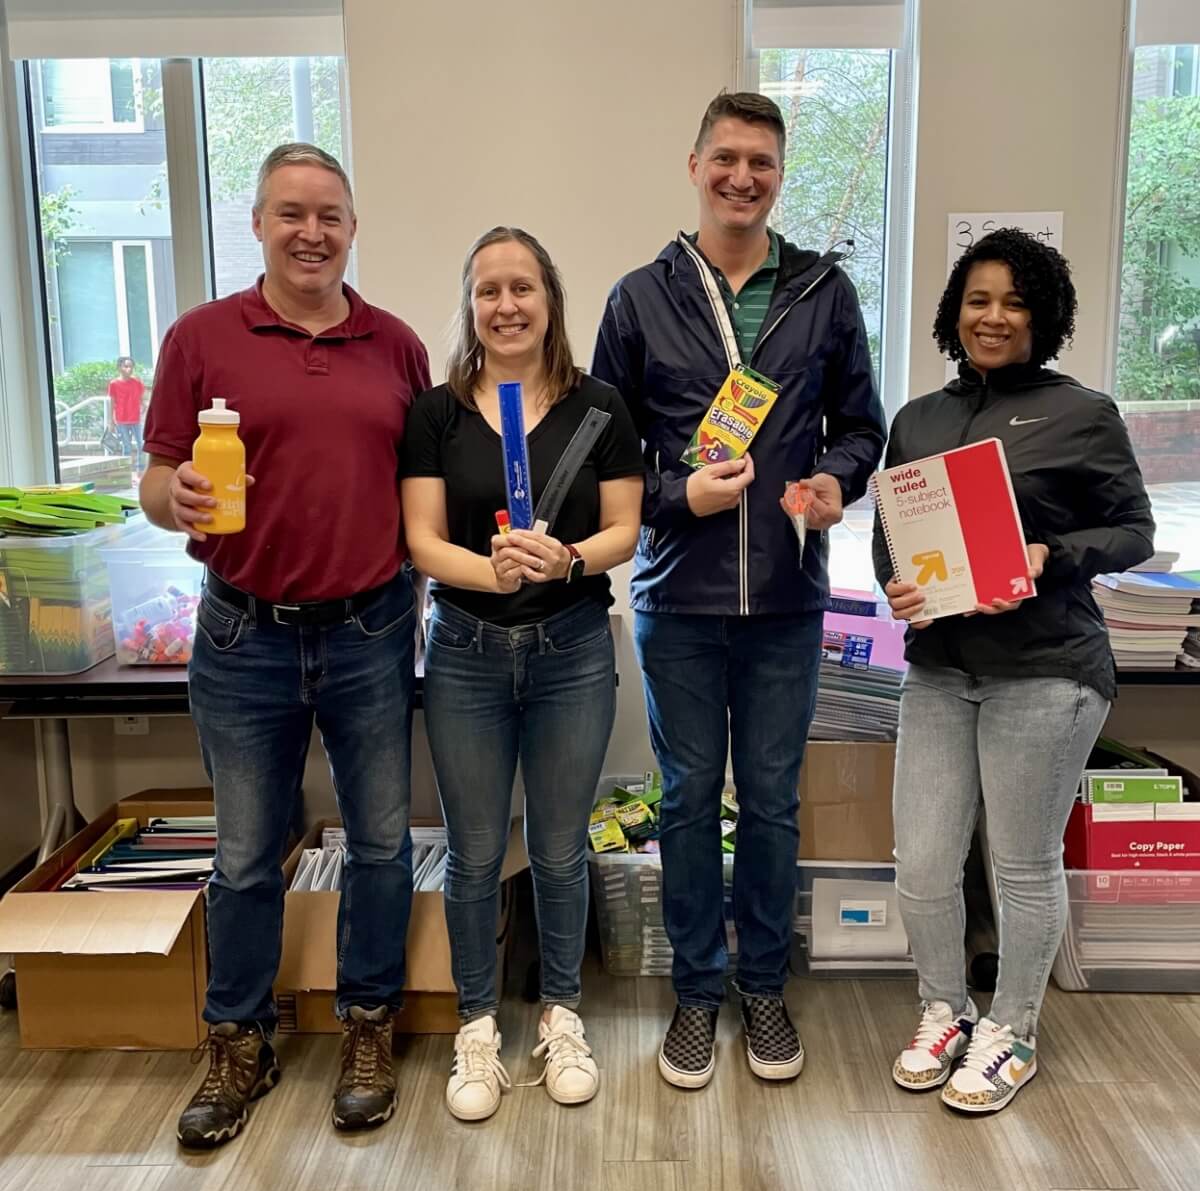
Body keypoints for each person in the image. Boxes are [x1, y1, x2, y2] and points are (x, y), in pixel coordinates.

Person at [592, 91, 886, 1089]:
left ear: (779, 174)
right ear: (694, 165)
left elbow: (862, 425)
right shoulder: (638, 298)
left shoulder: (824, 294)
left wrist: (835, 481)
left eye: (761, 161)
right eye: (726, 158)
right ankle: (696, 994)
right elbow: (609, 455)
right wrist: (683, 495)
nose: (742, 177)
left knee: (768, 805)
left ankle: (762, 987)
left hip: (789, 605)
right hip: (678, 599)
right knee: (683, 802)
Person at [140, 142, 430, 1147]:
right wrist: (165, 497)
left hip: (371, 628)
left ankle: (366, 1025)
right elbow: (158, 475)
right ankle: (239, 1039)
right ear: (258, 223)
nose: (312, 232)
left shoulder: (396, 346)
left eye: (330, 216)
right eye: (291, 214)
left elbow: (418, 494)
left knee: (383, 843)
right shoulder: (200, 338)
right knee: (245, 853)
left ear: (352, 229)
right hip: (242, 632)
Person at [876, 228, 1154, 1113]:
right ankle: (944, 1009)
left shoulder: (1082, 412)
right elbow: (893, 531)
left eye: (1014, 302)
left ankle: (1012, 1029)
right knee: (920, 860)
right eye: (978, 300)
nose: (993, 317)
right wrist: (898, 585)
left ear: (1044, 315)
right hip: (940, 668)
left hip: (1046, 668)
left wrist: (1044, 554)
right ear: (955, 311)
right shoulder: (916, 419)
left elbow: (1133, 531)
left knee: (1021, 863)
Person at [403, 226, 643, 1121]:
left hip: (573, 649)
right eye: (489, 290)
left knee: (557, 846)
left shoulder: (601, 408)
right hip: (464, 649)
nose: (507, 305)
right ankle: (476, 1025)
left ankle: (561, 1014)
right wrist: (490, 570)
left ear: (550, 302)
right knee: (470, 852)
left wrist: (565, 559)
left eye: (523, 288)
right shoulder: (435, 412)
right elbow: (421, 539)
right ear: (471, 306)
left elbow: (626, 528)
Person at [108, 356, 145, 472]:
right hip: (121, 419)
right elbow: (112, 402)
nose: (129, 369)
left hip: (136, 419)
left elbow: (141, 398)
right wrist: (111, 421)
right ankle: (127, 471)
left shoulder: (137, 382)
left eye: (131, 366)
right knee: (127, 446)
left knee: (141, 445)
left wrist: (143, 406)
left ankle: (141, 470)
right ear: (120, 368)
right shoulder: (114, 384)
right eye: (126, 366)